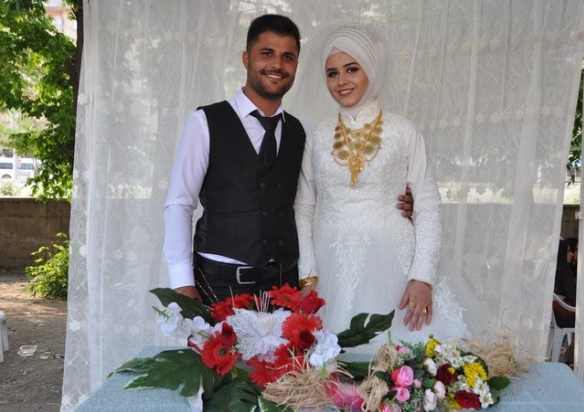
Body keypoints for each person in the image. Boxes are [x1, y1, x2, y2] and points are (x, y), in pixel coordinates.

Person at [163, 15, 413, 305]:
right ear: (246, 59)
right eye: (266, 53)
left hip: (285, 288)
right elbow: (179, 203)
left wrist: (398, 199)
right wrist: (182, 283)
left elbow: (339, 187)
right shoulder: (204, 122)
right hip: (218, 285)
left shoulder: (303, 133)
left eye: (288, 57)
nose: (277, 65)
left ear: (296, 65)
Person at [294, 25, 466, 353]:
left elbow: (428, 205)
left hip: (393, 266)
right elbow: (303, 208)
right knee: (330, 367)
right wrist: (308, 276)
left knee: (402, 362)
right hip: (330, 269)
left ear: (372, 69)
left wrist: (423, 277)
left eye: (351, 69)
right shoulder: (317, 135)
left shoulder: (404, 131)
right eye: (332, 73)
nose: (341, 81)